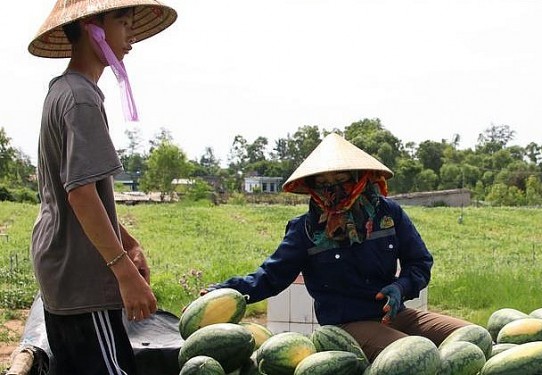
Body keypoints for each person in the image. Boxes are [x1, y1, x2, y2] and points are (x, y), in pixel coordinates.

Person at [207, 133, 471, 360]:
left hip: (394, 314)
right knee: (414, 356)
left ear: (359, 177)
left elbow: (420, 263)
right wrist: (220, 293)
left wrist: (401, 287)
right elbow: (269, 278)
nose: (332, 190)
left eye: (341, 179)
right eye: (323, 184)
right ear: (312, 187)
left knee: (471, 338)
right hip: (346, 325)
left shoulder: (388, 215)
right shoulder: (305, 231)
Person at [28, 1, 176, 374]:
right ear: (92, 26)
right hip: (82, 278)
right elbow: (80, 195)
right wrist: (124, 271)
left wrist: (129, 243)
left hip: (61, 269)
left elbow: (77, 194)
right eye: (124, 24)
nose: (132, 38)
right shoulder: (81, 97)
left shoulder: (63, 91)